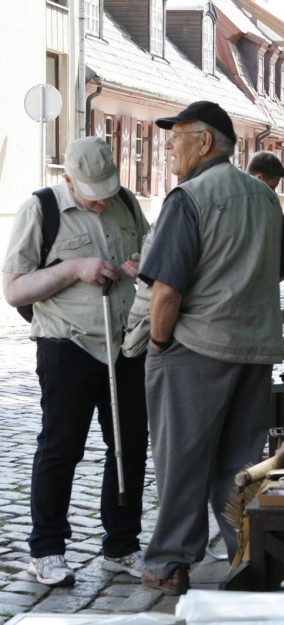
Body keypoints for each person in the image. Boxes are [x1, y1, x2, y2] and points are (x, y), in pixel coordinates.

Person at [138, 101, 284, 595]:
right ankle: (247, 557)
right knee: (240, 465)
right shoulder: (263, 196)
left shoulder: (189, 196)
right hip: (253, 347)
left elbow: (166, 291)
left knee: (182, 460)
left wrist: (160, 343)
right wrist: (240, 287)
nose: (169, 147)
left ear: (204, 141)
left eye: (176, 137)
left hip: (196, 347)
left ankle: (170, 562)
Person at [1, 137, 149, 587]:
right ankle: (46, 550)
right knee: (61, 447)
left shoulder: (125, 202)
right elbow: (14, 289)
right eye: (92, 193)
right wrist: (74, 269)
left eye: (107, 191)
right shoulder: (40, 209)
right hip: (68, 344)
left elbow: (148, 250)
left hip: (124, 344)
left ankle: (121, 545)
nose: (102, 201)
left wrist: (140, 263)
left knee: (128, 446)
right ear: (67, 179)